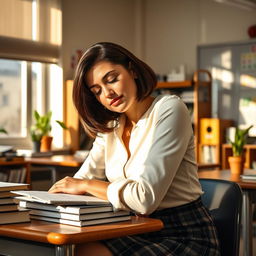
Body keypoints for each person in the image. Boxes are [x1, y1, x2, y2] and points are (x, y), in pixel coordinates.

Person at [49, 42, 220, 256]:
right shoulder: (111, 126)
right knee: (80, 249)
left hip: (184, 233)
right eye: (97, 91)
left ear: (132, 71)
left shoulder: (169, 109)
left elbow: (144, 199)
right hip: (131, 227)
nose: (108, 93)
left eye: (112, 79)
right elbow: (78, 183)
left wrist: (86, 185)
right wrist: (48, 202)